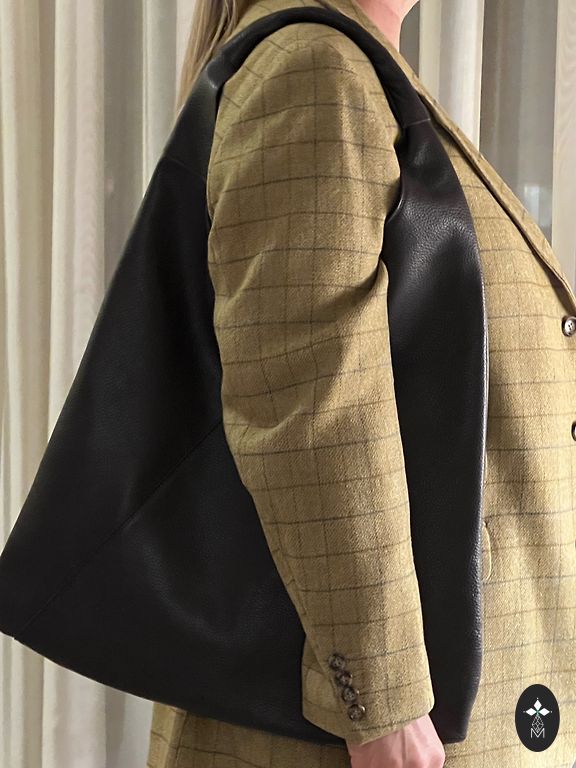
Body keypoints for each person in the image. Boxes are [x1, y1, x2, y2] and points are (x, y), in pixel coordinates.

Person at [146, 0, 576, 766]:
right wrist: (382, 707)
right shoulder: (313, 72)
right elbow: (309, 404)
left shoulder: (351, 74)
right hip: (389, 737)